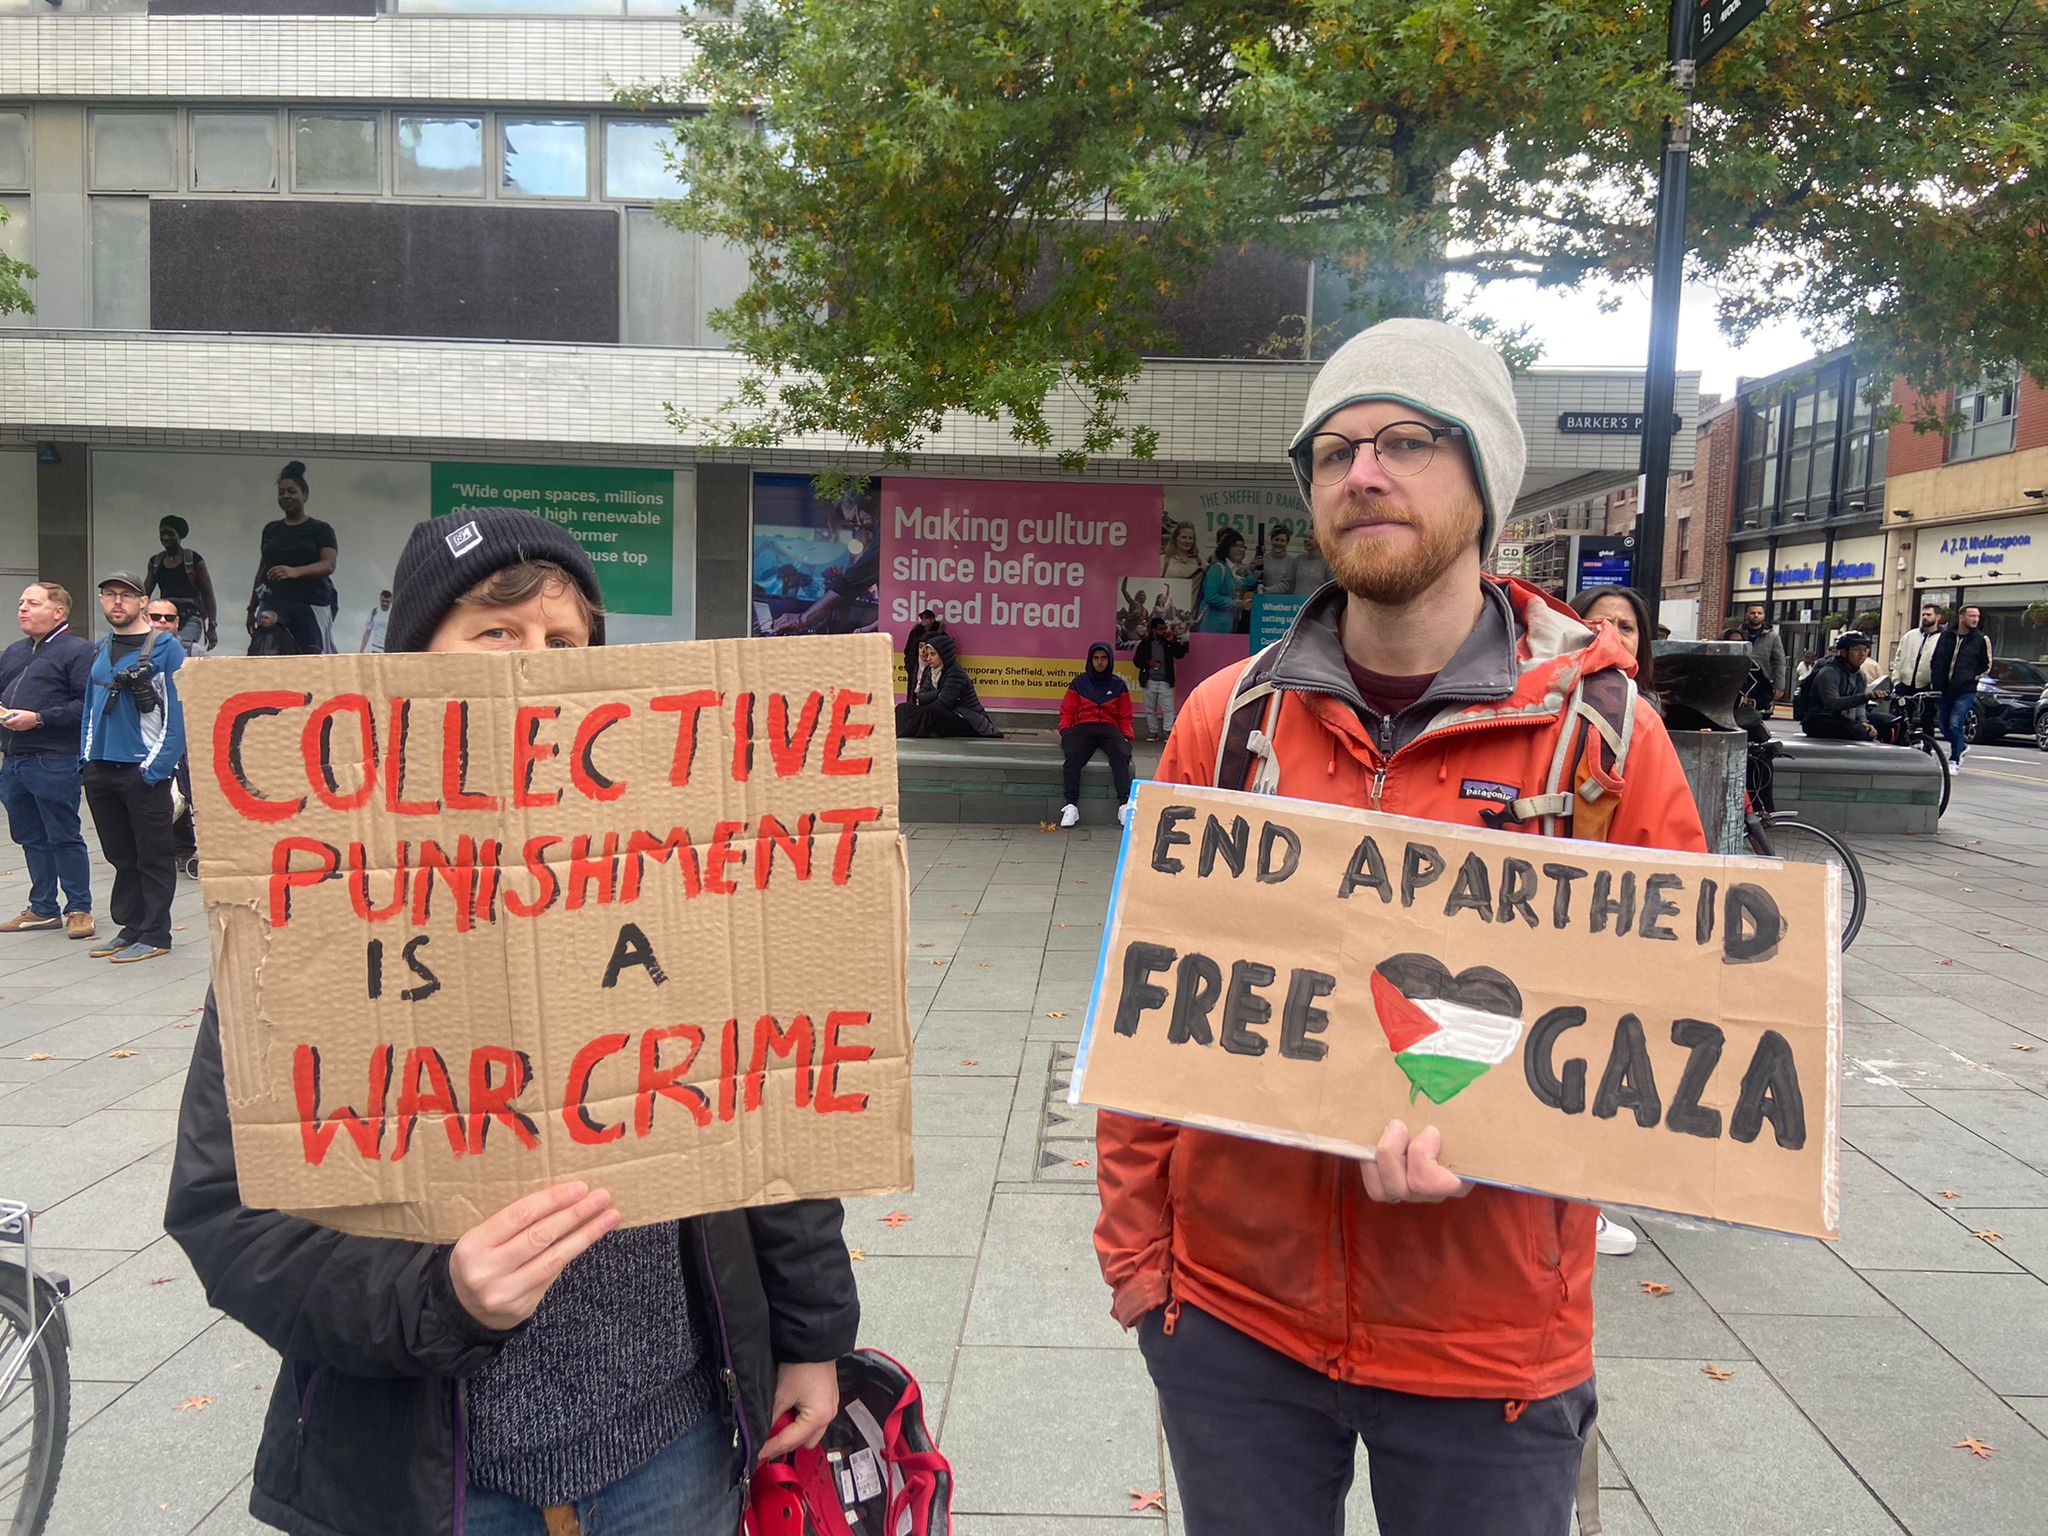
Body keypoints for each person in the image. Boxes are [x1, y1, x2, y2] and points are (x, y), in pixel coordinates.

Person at [1095, 318, 1707, 1536]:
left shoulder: (1604, 739)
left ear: (1482, 483)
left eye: (1406, 442)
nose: (1361, 473)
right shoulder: (1224, 725)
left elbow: (1674, 1040)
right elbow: (1146, 998)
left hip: (1488, 1354)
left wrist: (1501, 1130)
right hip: (1233, 1324)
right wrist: (1141, 1260)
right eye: (1330, 452)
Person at [166, 506, 857, 1536]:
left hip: (670, 1445)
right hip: (435, 1483)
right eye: (495, 634)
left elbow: (769, 1117)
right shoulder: (304, 908)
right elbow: (228, 1215)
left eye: (562, 641)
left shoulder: (678, 875)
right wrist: (444, 1295)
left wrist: (811, 1336)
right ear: (409, 666)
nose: (534, 666)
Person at [80, 570, 185, 964]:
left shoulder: (166, 649)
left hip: (142, 770)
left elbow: (178, 716)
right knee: (120, 854)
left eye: (126, 594)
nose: (117, 602)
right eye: (109, 594)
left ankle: (157, 931)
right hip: (101, 769)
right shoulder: (100, 647)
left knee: (152, 854)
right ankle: (131, 926)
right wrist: (85, 761)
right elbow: (89, 711)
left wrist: (154, 771)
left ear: (143, 601)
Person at [0, 582, 97, 940]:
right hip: (13, 760)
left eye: (33, 603)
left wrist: (38, 718)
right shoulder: (13, 652)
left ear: (58, 612)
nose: (22, 608)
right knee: (29, 836)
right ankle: (42, 907)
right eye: (21, 602)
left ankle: (79, 908)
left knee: (63, 834)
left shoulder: (78, 651)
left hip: (53, 757)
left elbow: (86, 705)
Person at [249, 460, 339, 657]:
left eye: (291, 491)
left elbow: (329, 564)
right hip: (274, 603)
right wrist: (252, 608)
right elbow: (262, 570)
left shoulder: (320, 529)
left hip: (310, 603)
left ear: (304, 495)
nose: (286, 496)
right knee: (267, 653)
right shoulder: (271, 530)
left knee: (309, 660)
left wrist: (295, 571)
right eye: (281, 493)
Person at [145, 599, 202, 877]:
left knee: (196, 792)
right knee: (168, 792)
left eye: (169, 618)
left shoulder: (193, 652)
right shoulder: (136, 650)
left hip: (190, 731)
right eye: (156, 616)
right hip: (151, 734)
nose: (163, 622)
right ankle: (179, 850)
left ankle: (203, 852)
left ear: (178, 622)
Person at [1056, 642, 1135, 829]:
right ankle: (1071, 806)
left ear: (1110, 660)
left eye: (1104, 658)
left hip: (1109, 728)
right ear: (1090, 660)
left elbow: (1125, 715)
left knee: (1121, 754)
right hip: (1084, 727)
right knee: (1073, 755)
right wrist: (1065, 730)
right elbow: (1067, 710)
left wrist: (1125, 736)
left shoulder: (1118, 685)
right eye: (1096, 658)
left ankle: (1124, 805)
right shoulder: (1079, 683)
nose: (1100, 662)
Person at [895, 631, 1001, 738]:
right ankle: (902, 734)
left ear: (943, 655)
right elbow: (921, 697)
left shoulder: (955, 672)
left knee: (929, 711)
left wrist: (931, 699)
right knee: (903, 708)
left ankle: (903, 736)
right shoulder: (930, 670)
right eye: (928, 655)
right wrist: (937, 693)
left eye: (933, 654)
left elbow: (944, 703)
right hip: (945, 714)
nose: (928, 658)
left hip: (966, 719)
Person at [1930, 603, 1991, 773]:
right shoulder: (1946, 636)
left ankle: (1954, 759)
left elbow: (1986, 665)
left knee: (1956, 723)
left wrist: (1970, 678)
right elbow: (1936, 659)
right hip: (1944, 688)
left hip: (1965, 690)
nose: (1975, 619)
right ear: (1962, 617)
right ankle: (1962, 746)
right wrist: (1936, 679)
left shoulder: (1981, 639)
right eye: (1972, 616)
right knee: (1943, 727)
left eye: (1977, 616)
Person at [145, 515, 218, 652]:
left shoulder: (193, 560)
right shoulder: (156, 562)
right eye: (163, 534)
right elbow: (144, 594)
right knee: (160, 649)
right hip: (165, 617)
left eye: (170, 534)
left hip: (190, 616)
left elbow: (209, 594)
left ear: (179, 536)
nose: (166, 538)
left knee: (182, 650)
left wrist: (212, 627)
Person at [1569, 584, 1656, 698]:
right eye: (1600, 625)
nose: (1614, 638)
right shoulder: (1543, 704)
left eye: (1626, 628)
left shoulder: (1651, 711)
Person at [1800, 631, 1879, 741]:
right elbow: (1833, 704)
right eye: (1856, 649)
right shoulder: (1829, 672)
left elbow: (1860, 707)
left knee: (1888, 722)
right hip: (1819, 719)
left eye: (1865, 650)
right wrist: (1865, 697)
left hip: (1845, 718)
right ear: (1843, 652)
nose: (1862, 654)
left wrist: (1864, 722)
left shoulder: (1860, 676)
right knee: (1860, 732)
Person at [1132, 616, 1189, 741]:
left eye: (1164, 628)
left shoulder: (1168, 642)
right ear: (1153, 630)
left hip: (1165, 681)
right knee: (1150, 709)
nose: (1163, 631)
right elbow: (1136, 661)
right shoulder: (1145, 643)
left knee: (1168, 709)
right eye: (1160, 629)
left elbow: (1179, 654)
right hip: (1149, 681)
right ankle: (1153, 732)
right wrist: (1149, 663)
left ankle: (1168, 731)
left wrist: (1172, 641)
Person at [1194, 529, 1254, 633]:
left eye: (1242, 546)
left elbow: (1238, 583)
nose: (1240, 550)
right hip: (1211, 626)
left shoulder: (1226, 569)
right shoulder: (1217, 568)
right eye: (1236, 546)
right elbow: (1211, 596)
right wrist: (1233, 603)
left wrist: (1254, 576)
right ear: (1227, 548)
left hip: (1224, 626)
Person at [1736, 603, 1789, 714]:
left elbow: (1779, 662)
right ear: (1746, 615)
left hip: (1761, 683)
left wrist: (1779, 686)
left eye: (1759, 613)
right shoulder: (1737, 634)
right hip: (1738, 681)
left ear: (1763, 616)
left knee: (1757, 715)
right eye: (1752, 613)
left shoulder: (1772, 637)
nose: (1756, 615)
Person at [1891, 602, 1943, 692]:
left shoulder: (1943, 638)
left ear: (1938, 617)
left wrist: (1934, 685)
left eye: (1929, 614)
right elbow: (1898, 659)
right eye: (1923, 614)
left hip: (1927, 688)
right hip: (1904, 686)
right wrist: (1897, 681)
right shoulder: (1909, 636)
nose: (1925, 617)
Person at [901, 608, 941, 688]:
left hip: (932, 667)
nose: (923, 620)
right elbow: (908, 648)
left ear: (932, 620)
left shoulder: (940, 634)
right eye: (922, 618)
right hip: (915, 666)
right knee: (913, 690)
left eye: (926, 617)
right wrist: (909, 664)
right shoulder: (915, 632)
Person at [1259, 525, 1302, 594]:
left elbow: (1288, 585)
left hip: (1283, 602)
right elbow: (1253, 576)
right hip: (1263, 600)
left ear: (1287, 543)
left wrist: (1267, 590)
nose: (1279, 543)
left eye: (1282, 541)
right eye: (1276, 540)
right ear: (1271, 540)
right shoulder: (1263, 558)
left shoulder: (1292, 561)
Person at [360, 589, 393, 653]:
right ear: (380, 599)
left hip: (388, 650)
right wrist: (361, 650)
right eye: (383, 601)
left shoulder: (393, 613)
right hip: (375, 649)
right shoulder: (374, 612)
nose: (384, 603)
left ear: (391, 601)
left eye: (387, 601)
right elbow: (367, 632)